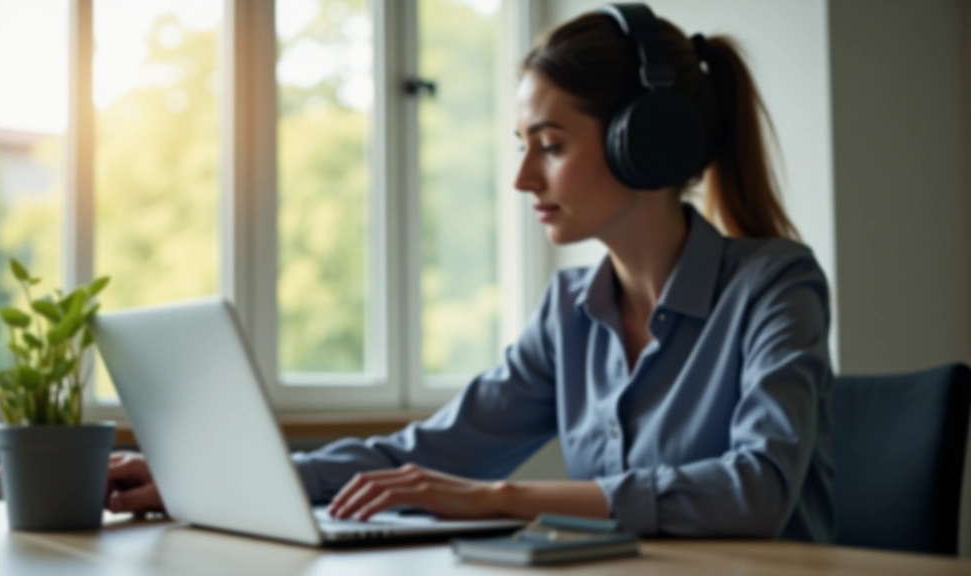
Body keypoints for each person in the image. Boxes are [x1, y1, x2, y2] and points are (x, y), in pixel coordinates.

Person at [105, 3, 834, 542]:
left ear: (645, 143)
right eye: (521, 144)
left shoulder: (774, 285)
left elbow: (757, 491)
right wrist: (225, 479)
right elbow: (422, 455)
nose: (523, 178)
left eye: (549, 145)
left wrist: (500, 497)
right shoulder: (569, 310)